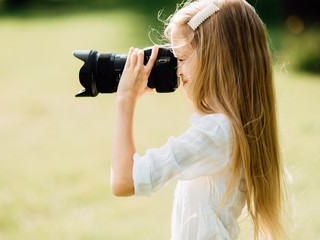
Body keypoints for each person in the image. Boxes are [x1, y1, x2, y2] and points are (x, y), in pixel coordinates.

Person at [110, 0, 287, 239]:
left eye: (181, 59)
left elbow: (125, 181)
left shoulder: (217, 132)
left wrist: (125, 99)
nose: (177, 70)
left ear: (216, 58)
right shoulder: (226, 126)